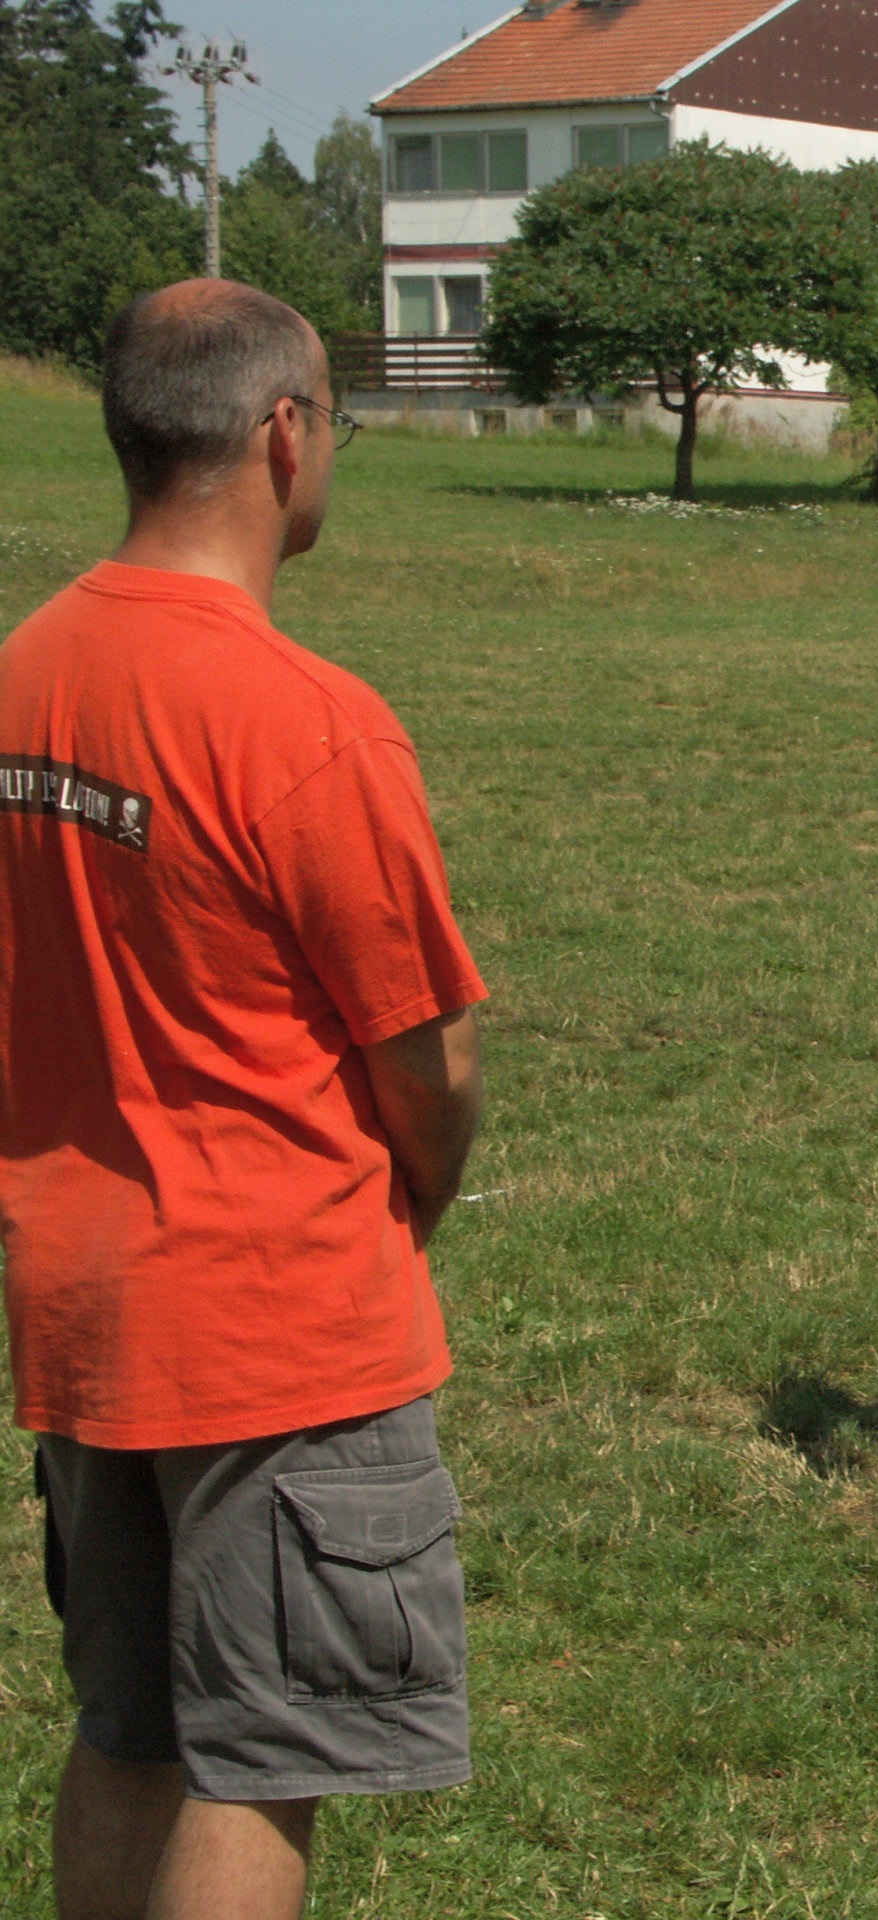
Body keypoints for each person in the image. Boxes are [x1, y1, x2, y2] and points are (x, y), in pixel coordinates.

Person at [1, 282, 487, 1919]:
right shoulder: (306, 721)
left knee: (129, 1734)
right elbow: (430, 1065)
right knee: (264, 1760)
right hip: (277, 1328)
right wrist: (405, 1207)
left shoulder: (22, 674)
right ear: (286, 435)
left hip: (82, 1313)